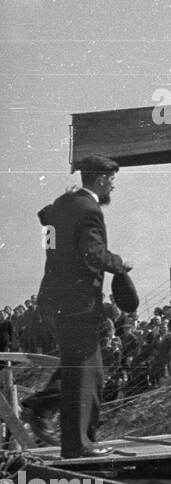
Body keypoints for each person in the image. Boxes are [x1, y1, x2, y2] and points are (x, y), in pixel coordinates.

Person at [25, 155, 131, 457]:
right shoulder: (89, 210)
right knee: (85, 372)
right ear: (100, 179)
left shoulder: (63, 204)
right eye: (112, 180)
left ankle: (44, 407)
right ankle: (77, 446)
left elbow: (46, 224)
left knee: (87, 369)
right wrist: (121, 264)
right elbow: (93, 254)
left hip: (57, 300)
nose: (113, 186)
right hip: (78, 303)